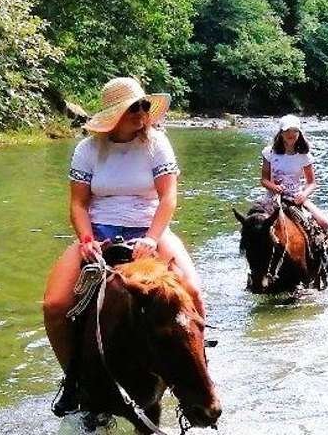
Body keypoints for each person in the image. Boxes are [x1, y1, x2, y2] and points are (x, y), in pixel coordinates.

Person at [41, 77, 208, 417]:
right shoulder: (87, 149)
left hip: (150, 229)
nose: (142, 113)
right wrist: (87, 241)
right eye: (135, 107)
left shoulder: (157, 143)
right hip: (99, 232)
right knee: (55, 305)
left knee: (193, 293)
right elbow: (77, 204)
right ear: (115, 114)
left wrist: (151, 237)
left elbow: (168, 197)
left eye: (145, 106)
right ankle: (75, 380)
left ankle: (198, 377)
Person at [261, 114, 328, 246]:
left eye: (295, 131)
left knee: (325, 222)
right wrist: (274, 187)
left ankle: (324, 243)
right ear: (281, 133)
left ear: (299, 133)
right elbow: (264, 180)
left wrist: (304, 195)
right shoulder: (270, 153)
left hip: (296, 196)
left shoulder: (304, 156)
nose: (291, 134)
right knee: (255, 226)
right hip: (273, 197)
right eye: (287, 131)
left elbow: (312, 183)